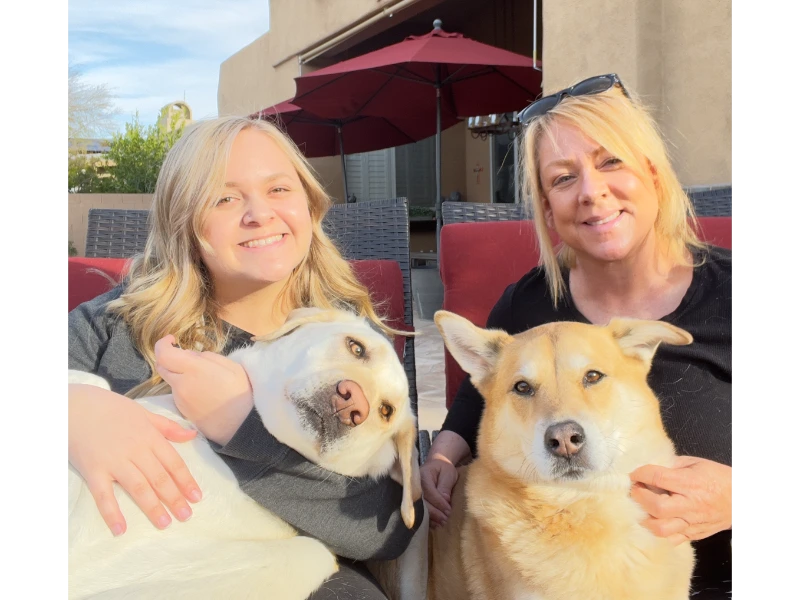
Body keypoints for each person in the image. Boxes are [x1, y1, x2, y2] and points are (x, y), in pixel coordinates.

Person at [66, 115, 424, 599]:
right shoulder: (122, 325)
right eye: (225, 197)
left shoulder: (343, 343)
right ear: (185, 220)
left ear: (309, 206)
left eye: (279, 189)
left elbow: (381, 527)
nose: (259, 214)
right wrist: (75, 406)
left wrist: (241, 427)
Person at [420, 74, 733, 598]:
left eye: (611, 161)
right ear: (547, 208)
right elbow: (478, 408)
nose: (591, 192)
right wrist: (441, 460)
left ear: (653, 175)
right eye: (563, 179)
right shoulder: (526, 306)